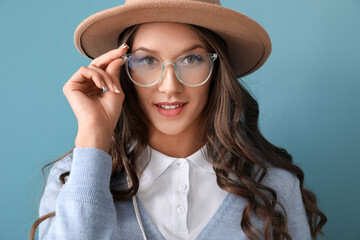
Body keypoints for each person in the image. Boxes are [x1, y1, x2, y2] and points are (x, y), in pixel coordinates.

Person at [29, 0, 327, 239]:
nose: (170, 86)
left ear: (216, 69)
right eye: (147, 60)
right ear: (122, 69)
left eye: (191, 59)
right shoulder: (74, 178)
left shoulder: (273, 187)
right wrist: (94, 135)